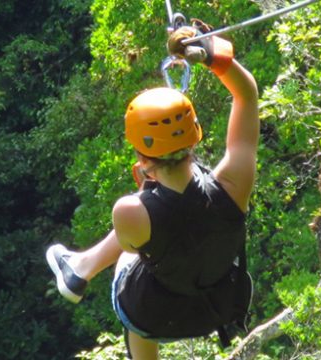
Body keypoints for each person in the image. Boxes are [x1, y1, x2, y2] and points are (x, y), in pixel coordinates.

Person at [46, 24, 259, 359]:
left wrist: (147, 194)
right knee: (161, 241)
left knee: (132, 259)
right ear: (195, 135)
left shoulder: (129, 211)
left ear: (142, 158)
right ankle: (81, 268)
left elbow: (141, 238)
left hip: (156, 314)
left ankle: (82, 268)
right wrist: (213, 53)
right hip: (216, 308)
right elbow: (246, 93)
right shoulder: (236, 180)